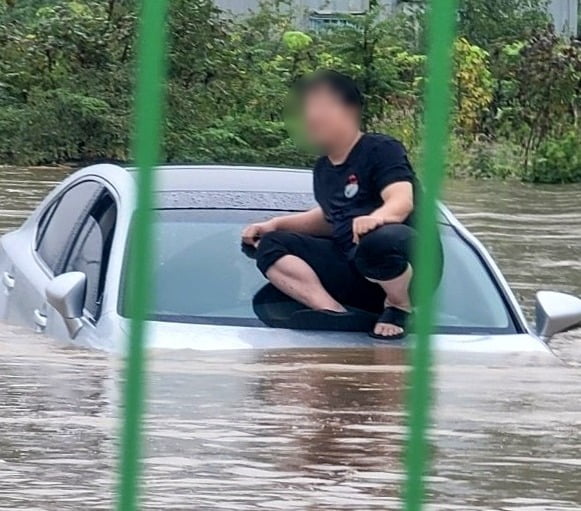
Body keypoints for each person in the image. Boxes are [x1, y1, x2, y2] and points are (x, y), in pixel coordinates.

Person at [242, 70, 432, 340]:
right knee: (272, 242)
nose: (312, 117)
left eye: (322, 107)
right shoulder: (323, 169)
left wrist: (377, 219)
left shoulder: (381, 149)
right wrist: (274, 224)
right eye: (307, 109)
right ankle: (336, 314)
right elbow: (331, 220)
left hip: (409, 264)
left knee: (378, 240)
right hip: (357, 270)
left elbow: (401, 200)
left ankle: (400, 306)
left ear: (350, 111)